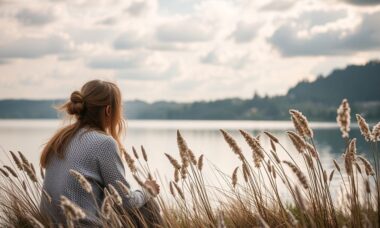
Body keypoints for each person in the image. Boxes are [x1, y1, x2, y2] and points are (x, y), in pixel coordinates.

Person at [39, 80, 161, 227]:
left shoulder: (61, 137)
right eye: (119, 108)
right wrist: (147, 190)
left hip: (48, 224)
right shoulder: (104, 143)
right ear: (108, 111)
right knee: (149, 205)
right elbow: (126, 203)